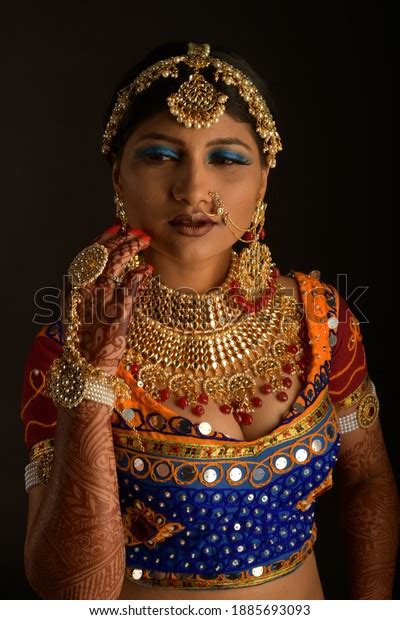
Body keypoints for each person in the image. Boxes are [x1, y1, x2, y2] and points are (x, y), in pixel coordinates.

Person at [21, 41, 398, 601]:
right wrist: (95, 377)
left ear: (264, 180)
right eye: (160, 155)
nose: (194, 190)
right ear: (117, 175)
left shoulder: (324, 322)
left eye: (227, 158)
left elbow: (367, 481)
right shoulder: (70, 350)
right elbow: (73, 596)